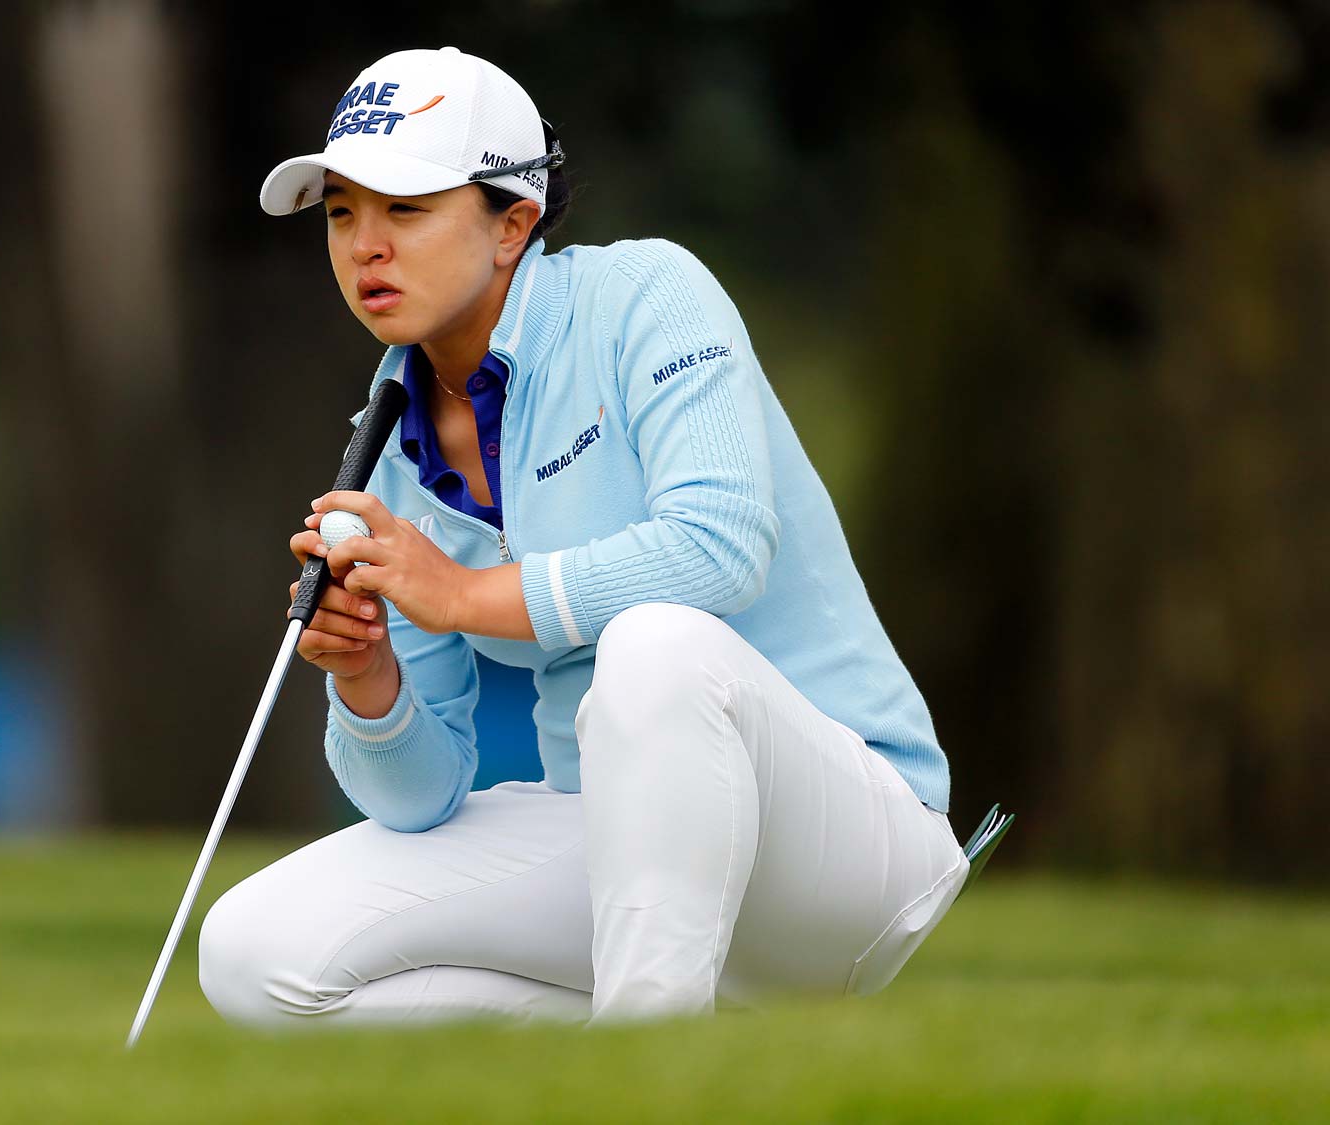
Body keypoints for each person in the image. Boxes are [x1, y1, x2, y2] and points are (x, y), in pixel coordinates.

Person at [198, 45, 968, 1028]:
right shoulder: (383, 443)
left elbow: (718, 547)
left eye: (405, 209)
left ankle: (641, 1068)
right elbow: (420, 799)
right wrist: (366, 680)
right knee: (252, 954)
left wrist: (461, 594)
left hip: (847, 849)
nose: (363, 247)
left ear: (511, 223)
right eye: (341, 213)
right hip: (622, 842)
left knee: (653, 646)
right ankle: (627, 1047)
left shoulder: (645, 296)